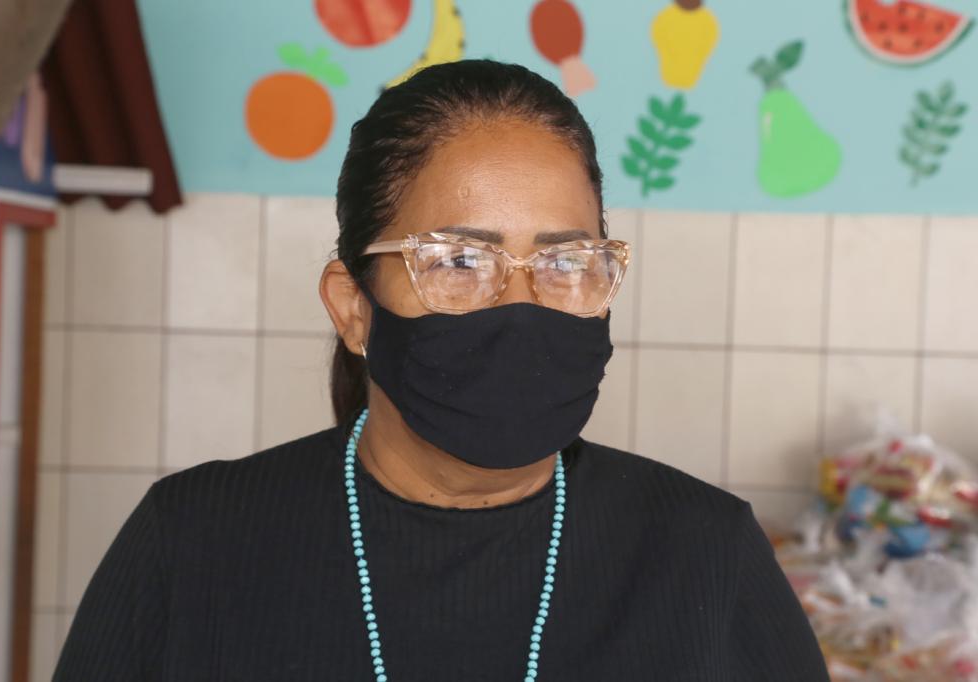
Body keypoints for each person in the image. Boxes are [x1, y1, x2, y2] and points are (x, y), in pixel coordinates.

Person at [52, 59, 830, 681]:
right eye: (459, 260)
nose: (521, 305)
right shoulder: (193, 542)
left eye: (565, 261)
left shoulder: (706, 554)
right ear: (354, 308)